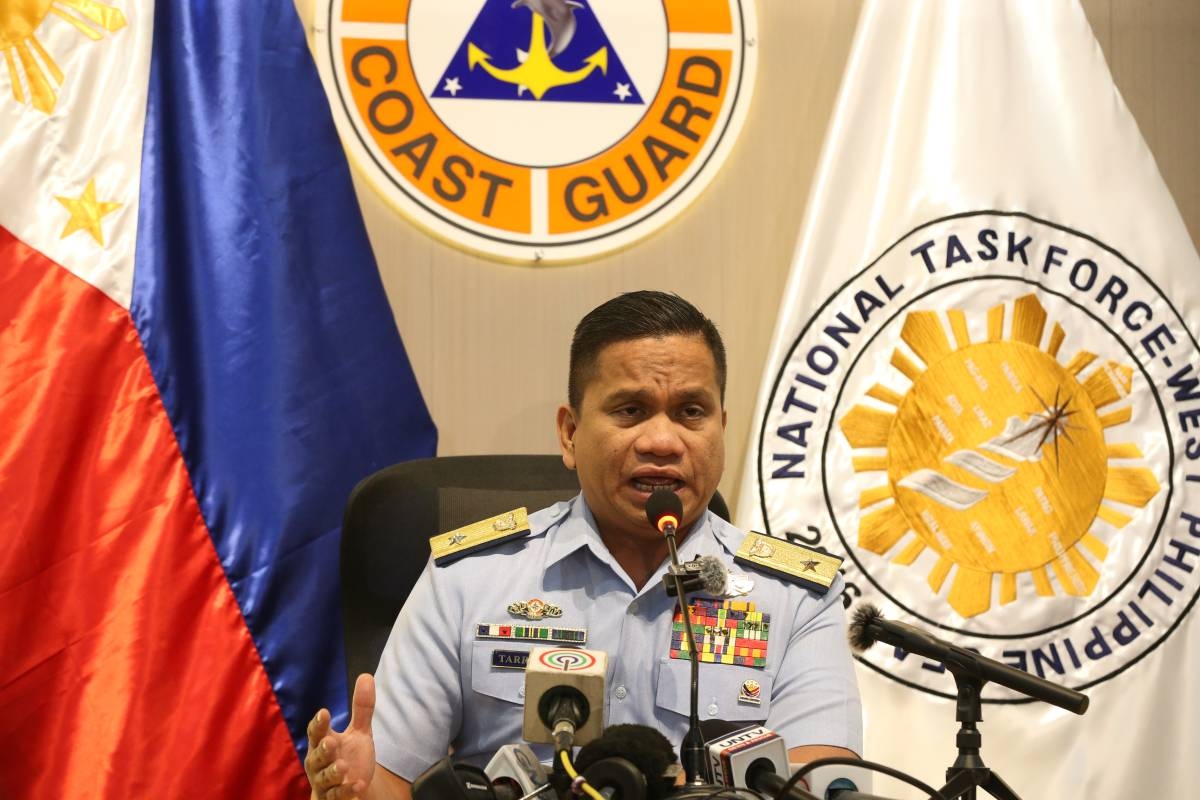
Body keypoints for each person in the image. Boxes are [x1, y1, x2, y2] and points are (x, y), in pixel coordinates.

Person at [305, 291, 863, 800]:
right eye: (630, 410)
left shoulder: (795, 596)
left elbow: (816, 782)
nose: (663, 441)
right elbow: (390, 781)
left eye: (691, 411)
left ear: (722, 427)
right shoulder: (468, 578)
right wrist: (357, 788)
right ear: (570, 433)